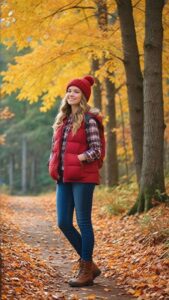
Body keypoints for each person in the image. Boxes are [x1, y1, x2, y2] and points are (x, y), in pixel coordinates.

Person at [48, 75, 105, 287]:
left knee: (83, 222)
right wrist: (52, 163)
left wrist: (78, 158)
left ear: (83, 97)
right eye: (69, 91)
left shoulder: (89, 120)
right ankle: (90, 265)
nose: (71, 94)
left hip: (83, 177)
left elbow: (96, 150)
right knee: (63, 222)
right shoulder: (62, 120)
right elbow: (55, 149)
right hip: (64, 178)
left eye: (76, 91)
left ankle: (85, 270)